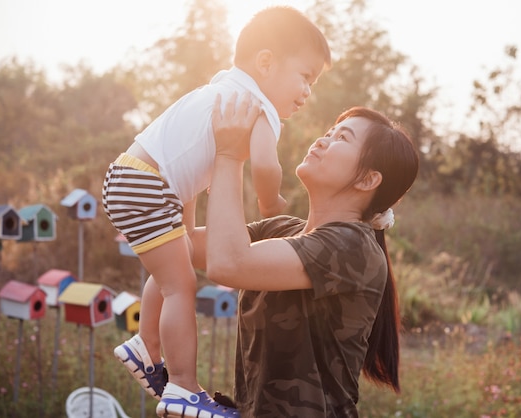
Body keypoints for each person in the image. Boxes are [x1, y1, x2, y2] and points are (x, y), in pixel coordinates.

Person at [101, 6, 330, 417]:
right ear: (266, 62)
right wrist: (270, 201)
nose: (307, 91)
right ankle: (184, 389)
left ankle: (145, 345)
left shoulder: (221, 87)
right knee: (181, 286)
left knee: (180, 258)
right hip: (149, 185)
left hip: (136, 176)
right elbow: (264, 164)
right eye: (305, 76)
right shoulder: (257, 105)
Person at [199, 93, 420, 417]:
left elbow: (226, 263)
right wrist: (190, 165)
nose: (322, 140)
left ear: (368, 179)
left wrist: (230, 156)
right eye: (330, 132)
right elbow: (182, 245)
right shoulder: (282, 230)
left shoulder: (353, 248)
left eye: (341, 138)